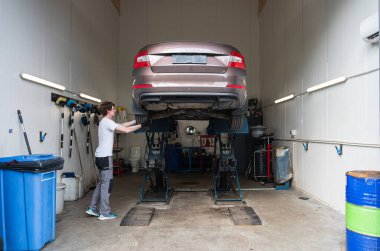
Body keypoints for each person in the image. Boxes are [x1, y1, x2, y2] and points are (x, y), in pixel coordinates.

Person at [85, 101, 149, 220]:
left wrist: (137, 121)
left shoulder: (106, 122)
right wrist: (142, 125)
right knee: (107, 185)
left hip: (100, 157)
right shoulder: (107, 122)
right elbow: (125, 130)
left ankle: (92, 208)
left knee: (101, 184)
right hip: (105, 158)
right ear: (108, 110)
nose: (115, 111)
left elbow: (121, 125)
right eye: (113, 109)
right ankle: (104, 213)